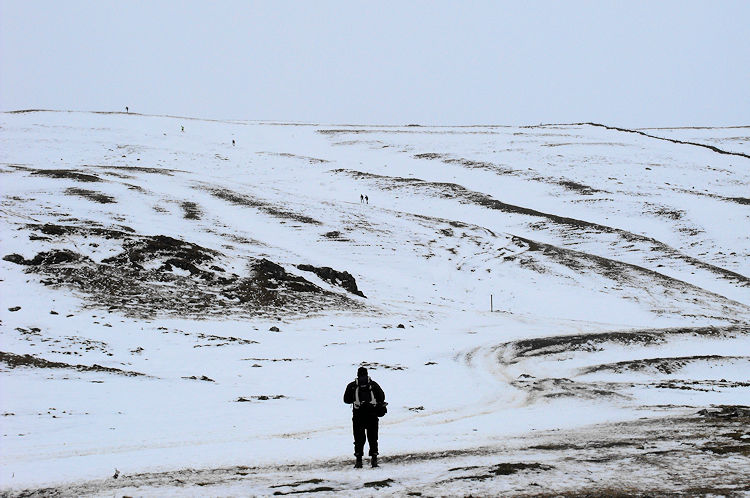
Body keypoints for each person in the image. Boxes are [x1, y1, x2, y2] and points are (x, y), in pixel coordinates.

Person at [343, 366, 385, 468]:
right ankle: (374, 460)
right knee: (373, 438)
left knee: (359, 438)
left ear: (357, 374)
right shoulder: (373, 385)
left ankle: (358, 461)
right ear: (367, 374)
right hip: (372, 415)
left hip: (358, 416)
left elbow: (346, 400)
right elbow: (382, 397)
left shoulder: (352, 386)